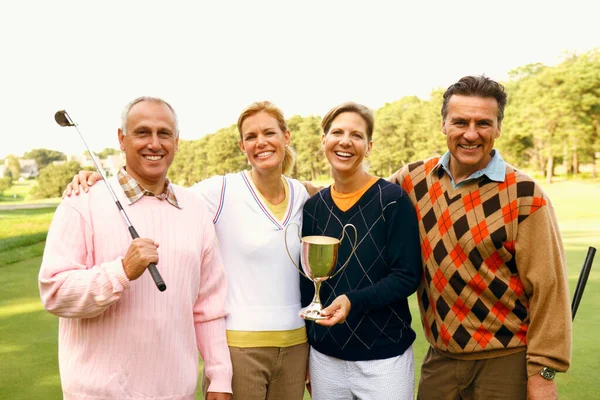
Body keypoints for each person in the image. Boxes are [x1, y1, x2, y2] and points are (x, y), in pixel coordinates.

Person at [63, 101, 310, 400]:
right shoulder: (220, 191)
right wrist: (107, 183)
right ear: (242, 146)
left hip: (297, 343)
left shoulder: (304, 194)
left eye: (269, 133)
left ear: (286, 137)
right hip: (241, 346)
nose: (261, 142)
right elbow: (156, 195)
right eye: (251, 137)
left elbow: (357, 191)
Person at [389, 75, 572, 400]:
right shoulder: (413, 180)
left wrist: (543, 373)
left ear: (498, 128)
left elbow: (549, 288)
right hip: (439, 359)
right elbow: (362, 200)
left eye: (483, 123)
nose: (471, 134)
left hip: (505, 362)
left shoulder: (525, 195)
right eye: (460, 122)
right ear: (444, 125)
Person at [39, 97, 233, 399]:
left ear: (176, 142)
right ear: (122, 139)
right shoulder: (82, 202)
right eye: (142, 132)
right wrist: (121, 271)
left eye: (164, 133)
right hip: (97, 394)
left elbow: (208, 307)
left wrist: (219, 377)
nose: (154, 144)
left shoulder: (195, 209)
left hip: (175, 392)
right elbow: (54, 292)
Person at [300, 102, 422, 400]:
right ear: (324, 141)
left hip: (384, 359)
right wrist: (307, 351)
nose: (345, 141)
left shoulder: (392, 200)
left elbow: (407, 276)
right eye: (337, 132)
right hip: (325, 358)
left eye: (356, 135)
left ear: (369, 146)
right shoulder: (314, 207)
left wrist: (352, 301)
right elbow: (308, 284)